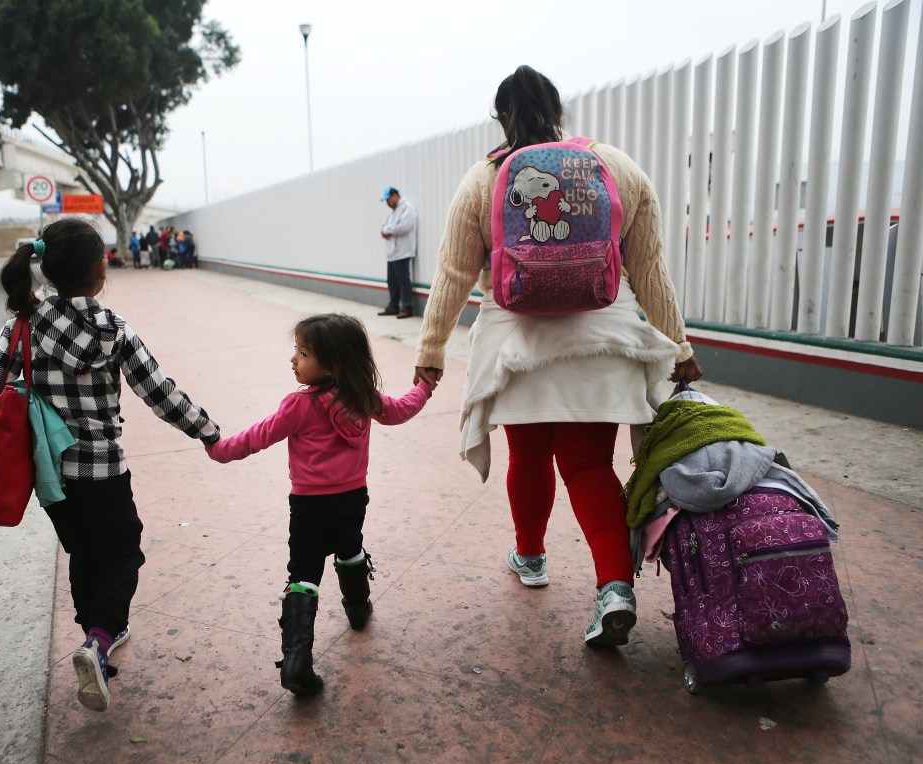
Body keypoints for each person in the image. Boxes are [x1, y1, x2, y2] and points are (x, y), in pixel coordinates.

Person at [413, 65, 702, 647]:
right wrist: (682, 348)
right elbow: (650, 272)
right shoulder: (617, 166)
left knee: (530, 456)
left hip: (517, 344)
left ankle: (532, 557)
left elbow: (453, 273)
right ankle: (615, 588)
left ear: (501, 115)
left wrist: (431, 351)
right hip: (603, 340)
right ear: (560, 111)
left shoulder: (484, 178)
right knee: (589, 466)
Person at [0, 218, 220, 711]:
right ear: (99, 270)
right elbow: (160, 394)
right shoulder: (114, 330)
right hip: (104, 469)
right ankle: (100, 640)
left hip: (49, 475)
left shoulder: (22, 324)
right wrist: (208, 432)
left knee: (84, 552)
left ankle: (94, 631)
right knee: (122, 554)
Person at [205, 313, 433, 695]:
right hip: (352, 499)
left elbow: (258, 435)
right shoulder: (364, 398)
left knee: (304, 574)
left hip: (308, 507)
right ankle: (358, 607)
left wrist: (220, 449)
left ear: (333, 362)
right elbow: (401, 409)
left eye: (304, 352)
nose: (294, 359)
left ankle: (296, 661)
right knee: (350, 549)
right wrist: (424, 387)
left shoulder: (299, 405)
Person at [378, 186, 418, 319]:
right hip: (391, 253)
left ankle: (407, 308)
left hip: (403, 252)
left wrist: (387, 230)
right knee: (392, 282)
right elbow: (383, 227)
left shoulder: (407, 207)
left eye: (388, 199)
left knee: (403, 281)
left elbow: (403, 227)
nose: (387, 203)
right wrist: (387, 229)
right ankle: (393, 306)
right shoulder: (393, 212)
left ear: (394, 196)